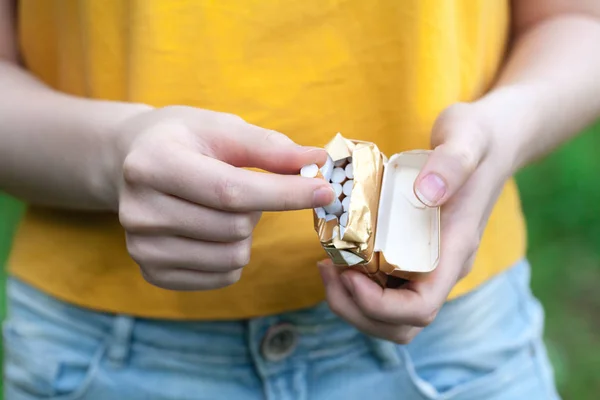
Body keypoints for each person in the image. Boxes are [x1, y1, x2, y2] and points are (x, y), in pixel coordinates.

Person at [1, 0, 599, 398]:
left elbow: (578, 21)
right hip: (103, 356)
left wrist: (502, 134)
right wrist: (114, 154)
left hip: (454, 347)